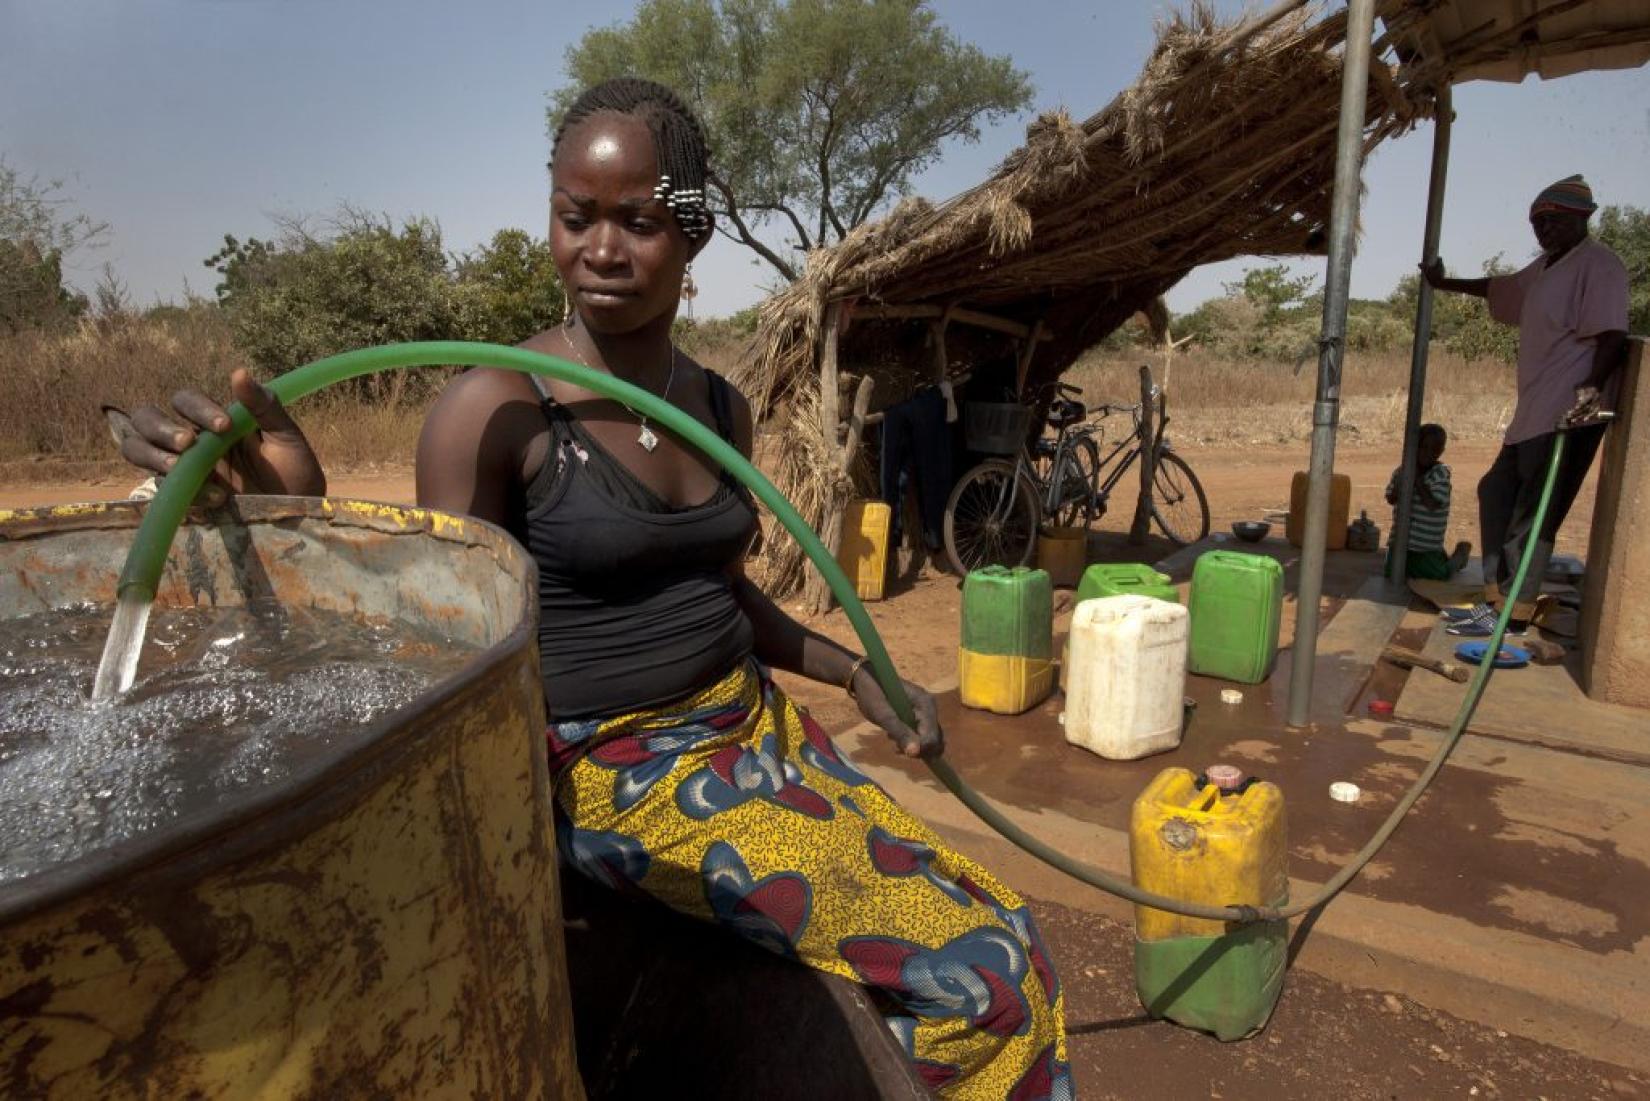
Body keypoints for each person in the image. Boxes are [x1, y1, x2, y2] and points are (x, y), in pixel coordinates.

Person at [119, 78, 1070, 1099]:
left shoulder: (718, 406)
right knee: (989, 982)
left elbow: (721, 597)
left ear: (694, 237)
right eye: (576, 218)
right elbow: (437, 638)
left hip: (755, 734)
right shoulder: (494, 409)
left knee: (1007, 926)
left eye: (640, 222)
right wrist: (290, 514)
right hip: (619, 775)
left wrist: (854, 674)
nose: (601, 250)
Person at [1422, 174, 1630, 638]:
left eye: (1552, 220)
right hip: (1533, 413)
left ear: (1581, 218)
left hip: (1567, 413)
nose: (1543, 229)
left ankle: (1510, 615)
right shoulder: (1546, 269)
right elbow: (1499, 289)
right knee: (1496, 492)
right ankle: (1500, 599)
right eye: (1537, 222)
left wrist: (1591, 388)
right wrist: (1442, 283)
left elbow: (1613, 335)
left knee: (1533, 517)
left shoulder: (1599, 265)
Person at [1384, 423, 1470, 581]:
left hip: (1425, 546)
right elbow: (1391, 498)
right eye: (1423, 447)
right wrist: (1402, 480)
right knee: (1392, 573)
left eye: (1435, 450)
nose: (1428, 453)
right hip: (1400, 544)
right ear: (1414, 448)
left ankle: (1458, 557)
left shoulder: (1440, 475)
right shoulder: (1401, 471)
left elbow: (1432, 504)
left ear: (1441, 451)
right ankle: (1440, 556)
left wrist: (1417, 480)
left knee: (1439, 576)